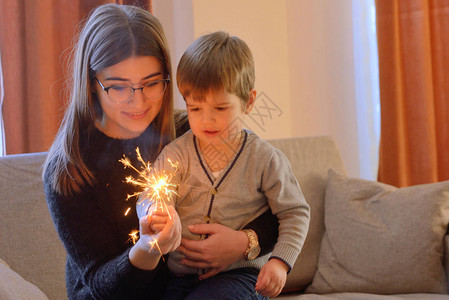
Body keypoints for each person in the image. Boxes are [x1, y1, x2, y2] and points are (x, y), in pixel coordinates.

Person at [42, 4, 278, 300]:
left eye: (151, 83)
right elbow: (104, 287)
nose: (138, 102)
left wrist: (244, 242)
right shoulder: (70, 170)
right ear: (91, 84)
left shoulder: (192, 130)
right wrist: (148, 247)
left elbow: (281, 210)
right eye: (118, 87)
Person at [139, 31, 310, 299]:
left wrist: (280, 262)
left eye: (220, 109)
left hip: (240, 277)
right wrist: (155, 212)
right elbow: (151, 194)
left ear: (249, 102)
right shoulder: (177, 154)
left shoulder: (265, 159)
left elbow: (294, 213)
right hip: (181, 278)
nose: (207, 121)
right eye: (195, 109)